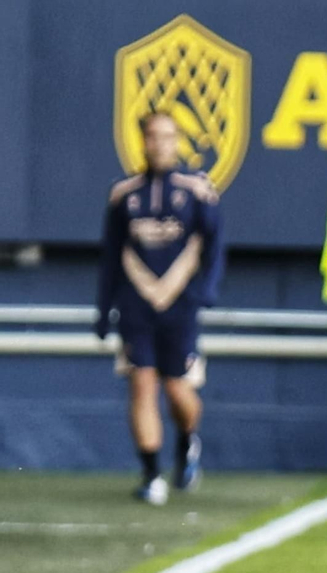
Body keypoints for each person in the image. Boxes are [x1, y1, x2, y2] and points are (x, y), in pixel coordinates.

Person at [95, 110, 224, 505]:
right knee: (141, 383)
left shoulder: (197, 189)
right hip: (136, 305)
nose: (160, 144)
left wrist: (207, 289)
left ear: (178, 140)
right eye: (153, 136)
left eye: (168, 137)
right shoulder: (124, 194)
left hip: (180, 304)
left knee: (177, 389)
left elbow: (215, 242)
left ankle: (187, 439)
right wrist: (103, 310)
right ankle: (151, 473)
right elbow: (112, 253)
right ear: (143, 140)